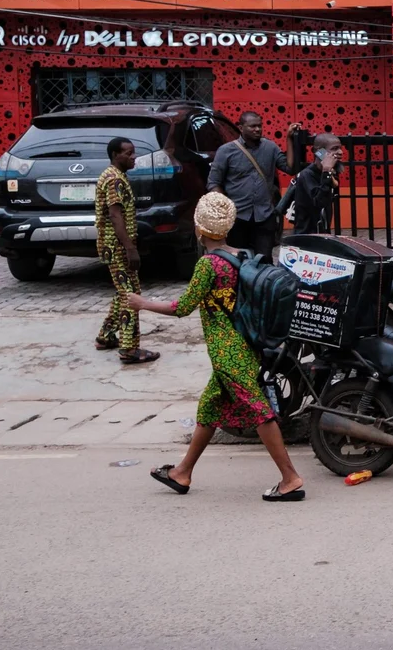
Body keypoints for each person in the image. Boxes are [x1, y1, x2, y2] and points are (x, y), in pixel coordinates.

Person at [130, 193, 305, 501]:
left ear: (199, 229)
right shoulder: (242, 255)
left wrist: (143, 303)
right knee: (210, 407)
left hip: (227, 351)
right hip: (245, 345)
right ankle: (182, 472)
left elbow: (182, 307)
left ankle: (290, 478)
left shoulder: (207, 265)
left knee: (258, 411)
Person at [207, 111, 297, 259]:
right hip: (237, 217)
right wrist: (225, 207)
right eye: (252, 126)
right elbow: (213, 182)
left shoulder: (270, 147)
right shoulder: (226, 151)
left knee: (264, 260)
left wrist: (289, 139)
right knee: (238, 260)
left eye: (259, 126)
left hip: (264, 215)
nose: (257, 129)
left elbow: (290, 168)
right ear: (241, 128)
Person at [95, 137, 154, 364]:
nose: (133, 157)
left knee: (124, 291)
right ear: (115, 155)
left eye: (133, 152)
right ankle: (129, 349)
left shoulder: (115, 176)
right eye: (128, 153)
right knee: (131, 295)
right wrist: (130, 249)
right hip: (118, 247)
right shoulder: (113, 180)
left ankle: (106, 336)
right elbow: (115, 215)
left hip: (113, 245)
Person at [281, 132, 343, 235]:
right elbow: (319, 202)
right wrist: (326, 172)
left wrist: (327, 173)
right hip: (306, 236)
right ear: (319, 152)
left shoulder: (329, 172)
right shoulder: (307, 175)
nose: (340, 152)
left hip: (321, 233)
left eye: (340, 148)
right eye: (334, 148)